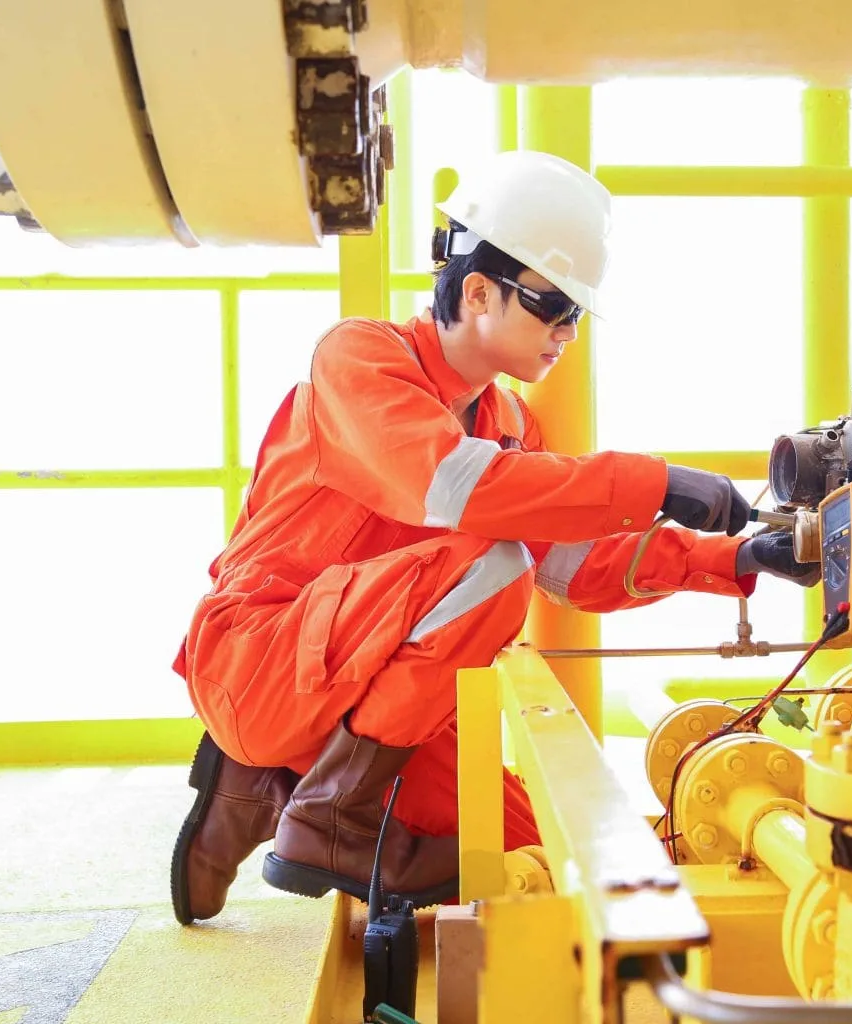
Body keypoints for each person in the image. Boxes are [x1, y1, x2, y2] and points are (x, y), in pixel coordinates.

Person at [168, 149, 817, 924]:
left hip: (372, 698)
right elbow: (454, 487)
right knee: (492, 554)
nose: (566, 333)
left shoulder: (507, 424)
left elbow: (573, 566)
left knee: (536, 855)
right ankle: (328, 811)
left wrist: (737, 556)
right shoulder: (360, 359)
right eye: (553, 307)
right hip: (261, 660)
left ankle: (265, 786)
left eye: (577, 316)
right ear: (477, 291)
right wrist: (652, 483)